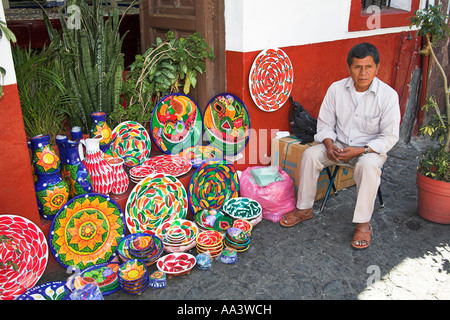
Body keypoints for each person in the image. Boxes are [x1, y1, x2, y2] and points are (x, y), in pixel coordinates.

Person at [280, 42, 401, 250]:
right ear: (349, 68)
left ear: (377, 68)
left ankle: (363, 224)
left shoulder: (388, 96)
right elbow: (325, 124)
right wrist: (328, 144)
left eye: (368, 67)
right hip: (338, 145)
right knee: (310, 155)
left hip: (369, 150)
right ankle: (304, 208)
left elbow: (389, 137)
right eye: (357, 67)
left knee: (368, 166)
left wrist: (362, 150)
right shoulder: (336, 89)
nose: (363, 73)